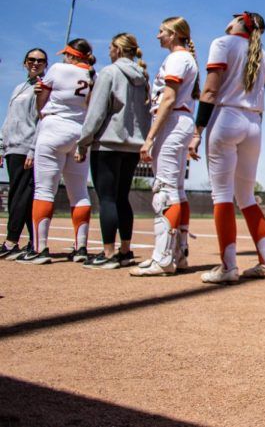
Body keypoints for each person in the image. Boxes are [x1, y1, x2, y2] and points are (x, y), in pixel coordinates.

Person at [188, 12, 265, 284]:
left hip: (226, 118)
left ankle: (228, 266)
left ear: (242, 22)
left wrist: (197, 131)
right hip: (254, 123)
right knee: (246, 197)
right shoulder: (262, 54)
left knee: (222, 196)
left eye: (235, 16)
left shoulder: (222, 43)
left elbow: (210, 91)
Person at [129, 18, 199, 277]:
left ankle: (163, 258)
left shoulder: (177, 59)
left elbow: (168, 98)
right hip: (180, 120)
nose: (158, 36)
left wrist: (150, 138)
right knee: (176, 191)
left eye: (162, 31)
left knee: (165, 191)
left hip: (172, 120)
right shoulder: (184, 59)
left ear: (175, 34)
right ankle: (178, 254)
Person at [77, 33, 151, 269]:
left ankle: (108, 253)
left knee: (107, 198)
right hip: (133, 146)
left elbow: (97, 112)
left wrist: (83, 141)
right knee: (122, 197)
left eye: (110, 47)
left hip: (108, 143)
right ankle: (125, 251)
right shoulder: (143, 77)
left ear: (118, 50)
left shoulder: (109, 72)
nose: (108, 51)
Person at [20, 39, 96, 265]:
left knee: (44, 190)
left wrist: (41, 100)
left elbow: (41, 104)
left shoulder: (58, 69)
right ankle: (81, 248)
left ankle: (40, 248)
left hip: (54, 128)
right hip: (80, 133)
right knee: (79, 192)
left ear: (72, 55)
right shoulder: (94, 75)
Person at [1, 48, 47, 259]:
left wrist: (32, 149)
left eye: (40, 60)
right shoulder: (19, 88)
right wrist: (1, 146)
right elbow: (9, 118)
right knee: (24, 197)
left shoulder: (42, 87)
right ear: (25, 62)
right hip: (12, 147)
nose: (35, 63)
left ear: (45, 64)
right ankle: (34, 241)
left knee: (19, 195)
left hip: (26, 147)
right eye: (31, 59)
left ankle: (11, 241)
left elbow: (41, 121)